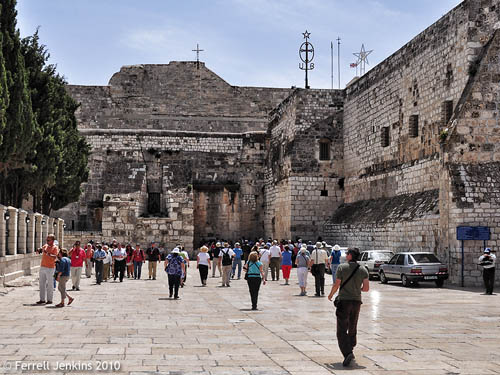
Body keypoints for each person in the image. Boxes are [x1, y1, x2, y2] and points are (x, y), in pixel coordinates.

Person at [328, 248, 369, 367]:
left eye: (347, 254)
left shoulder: (342, 267)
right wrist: (357, 290)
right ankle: (351, 346)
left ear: (350, 256)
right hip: (356, 301)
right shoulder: (363, 269)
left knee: (341, 329)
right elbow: (366, 288)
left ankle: (347, 353)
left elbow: (337, 284)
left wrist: (331, 294)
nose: (345, 255)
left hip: (344, 301)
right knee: (352, 325)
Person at [36, 234, 59, 305]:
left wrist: (47, 253)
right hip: (43, 266)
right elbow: (40, 250)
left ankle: (49, 299)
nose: (47, 241)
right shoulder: (45, 246)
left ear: (52, 240)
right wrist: (39, 250)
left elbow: (55, 256)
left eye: (48, 240)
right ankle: (42, 299)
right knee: (41, 283)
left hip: (50, 267)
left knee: (50, 284)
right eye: (47, 240)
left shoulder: (55, 247)